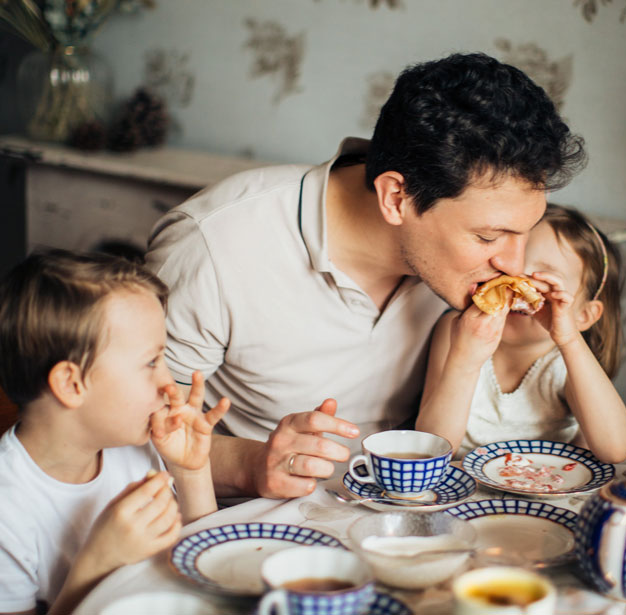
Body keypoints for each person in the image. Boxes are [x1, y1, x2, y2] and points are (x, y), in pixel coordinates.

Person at [146, 52, 587, 499]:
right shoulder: (213, 245)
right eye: (489, 236)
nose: (514, 264)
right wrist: (252, 463)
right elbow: (136, 432)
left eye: (524, 234)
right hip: (259, 527)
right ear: (396, 197)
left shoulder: (463, 270)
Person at [0, 250, 230, 615]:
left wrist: (190, 472)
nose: (169, 383)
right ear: (71, 384)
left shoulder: (134, 448)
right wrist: (98, 564)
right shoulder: (7, 509)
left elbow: (206, 569)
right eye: (151, 362)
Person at [416, 204, 626, 463]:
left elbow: (616, 450)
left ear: (583, 316)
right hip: (468, 490)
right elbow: (431, 449)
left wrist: (569, 339)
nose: (518, 287)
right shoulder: (458, 331)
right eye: (511, 272)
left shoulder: (567, 362)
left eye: (544, 281)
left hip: (548, 490)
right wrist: (464, 361)